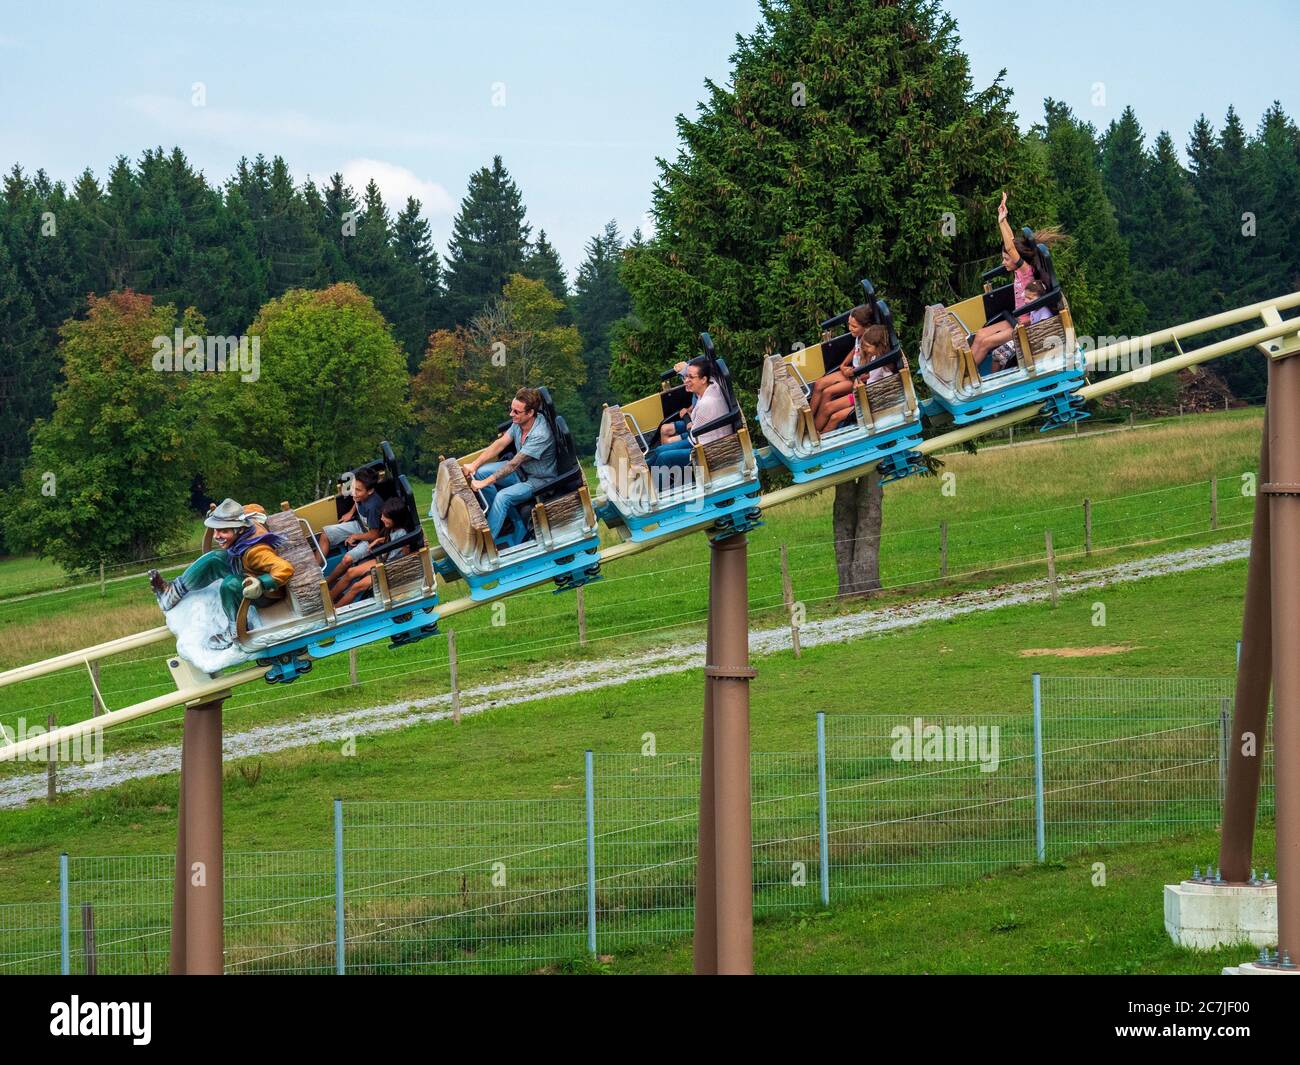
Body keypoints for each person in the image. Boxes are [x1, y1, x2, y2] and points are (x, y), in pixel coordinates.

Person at [148, 498, 295, 648]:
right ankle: (171, 593)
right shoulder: (247, 519)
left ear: (240, 530)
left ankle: (236, 631)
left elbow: (285, 568)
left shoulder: (256, 552)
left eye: (224, 531)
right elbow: (257, 507)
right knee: (213, 558)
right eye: (216, 529)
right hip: (244, 568)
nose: (217, 536)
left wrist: (262, 583)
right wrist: (220, 514)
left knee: (230, 584)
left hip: (264, 593)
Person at [969, 191, 1064, 370]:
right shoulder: (1017, 270)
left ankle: (966, 380)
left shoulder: (1025, 271)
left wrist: (1000, 223)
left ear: (1016, 258)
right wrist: (1003, 220)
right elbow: (1011, 242)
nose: (1004, 262)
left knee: (986, 343)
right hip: (1016, 318)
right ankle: (966, 372)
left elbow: (1011, 247)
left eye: (1006, 258)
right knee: (980, 335)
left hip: (1024, 324)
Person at [463, 387, 557, 543]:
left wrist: (484, 483)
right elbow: (500, 443)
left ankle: (486, 544)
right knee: (480, 472)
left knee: (502, 497)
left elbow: (513, 464)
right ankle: (508, 520)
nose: (511, 414)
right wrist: (474, 464)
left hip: (538, 480)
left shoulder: (540, 434)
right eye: (511, 409)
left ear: (530, 413)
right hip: (522, 471)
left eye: (516, 412)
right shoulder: (519, 422)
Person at [644, 357, 732, 472]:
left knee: (664, 458)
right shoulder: (711, 384)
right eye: (686, 376)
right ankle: (642, 469)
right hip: (700, 439)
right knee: (659, 450)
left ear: (703, 379)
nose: (686, 381)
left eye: (691, 377)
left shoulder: (705, 404)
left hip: (707, 449)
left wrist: (689, 423)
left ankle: (654, 486)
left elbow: (692, 432)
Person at [330, 497, 415, 606]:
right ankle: (330, 598)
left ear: (396, 519)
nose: (382, 518)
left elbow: (404, 553)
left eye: (386, 517)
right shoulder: (394, 529)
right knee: (350, 572)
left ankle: (334, 610)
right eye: (383, 515)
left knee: (357, 587)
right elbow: (393, 539)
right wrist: (379, 540)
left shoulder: (403, 533)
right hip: (383, 560)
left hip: (391, 568)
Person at [815, 324, 891, 433]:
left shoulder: (886, 364)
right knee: (827, 407)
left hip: (868, 400)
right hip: (860, 393)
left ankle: (819, 440)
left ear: (879, 346)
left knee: (835, 417)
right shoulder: (873, 356)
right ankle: (814, 432)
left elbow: (886, 387)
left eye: (868, 346)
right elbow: (868, 376)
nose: (865, 349)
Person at [808, 304, 874, 431]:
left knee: (828, 392)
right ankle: (810, 419)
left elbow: (868, 372)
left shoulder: (870, 342)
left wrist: (853, 373)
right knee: (819, 384)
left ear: (866, 326)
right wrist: (843, 365)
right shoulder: (859, 336)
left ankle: (817, 428)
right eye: (849, 324)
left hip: (858, 379)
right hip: (852, 370)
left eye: (854, 326)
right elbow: (855, 350)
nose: (850, 329)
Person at [317, 467, 385, 584]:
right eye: (352, 487)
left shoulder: (373, 507)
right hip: (360, 525)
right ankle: (314, 571)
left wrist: (355, 536)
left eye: (358, 490)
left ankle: (327, 582)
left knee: (347, 559)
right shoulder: (359, 495)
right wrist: (351, 512)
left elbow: (374, 535)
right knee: (325, 535)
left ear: (370, 491)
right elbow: (356, 500)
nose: (353, 492)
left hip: (370, 537)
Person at [978, 278, 1056, 376]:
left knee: (1001, 357)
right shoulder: (1034, 308)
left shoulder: (1044, 315)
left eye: (1030, 299)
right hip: (1025, 339)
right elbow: (1025, 294)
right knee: (995, 354)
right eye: (1026, 297)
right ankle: (994, 377)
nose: (1026, 301)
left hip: (1031, 345)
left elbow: (1041, 335)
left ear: (1041, 298)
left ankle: (999, 377)